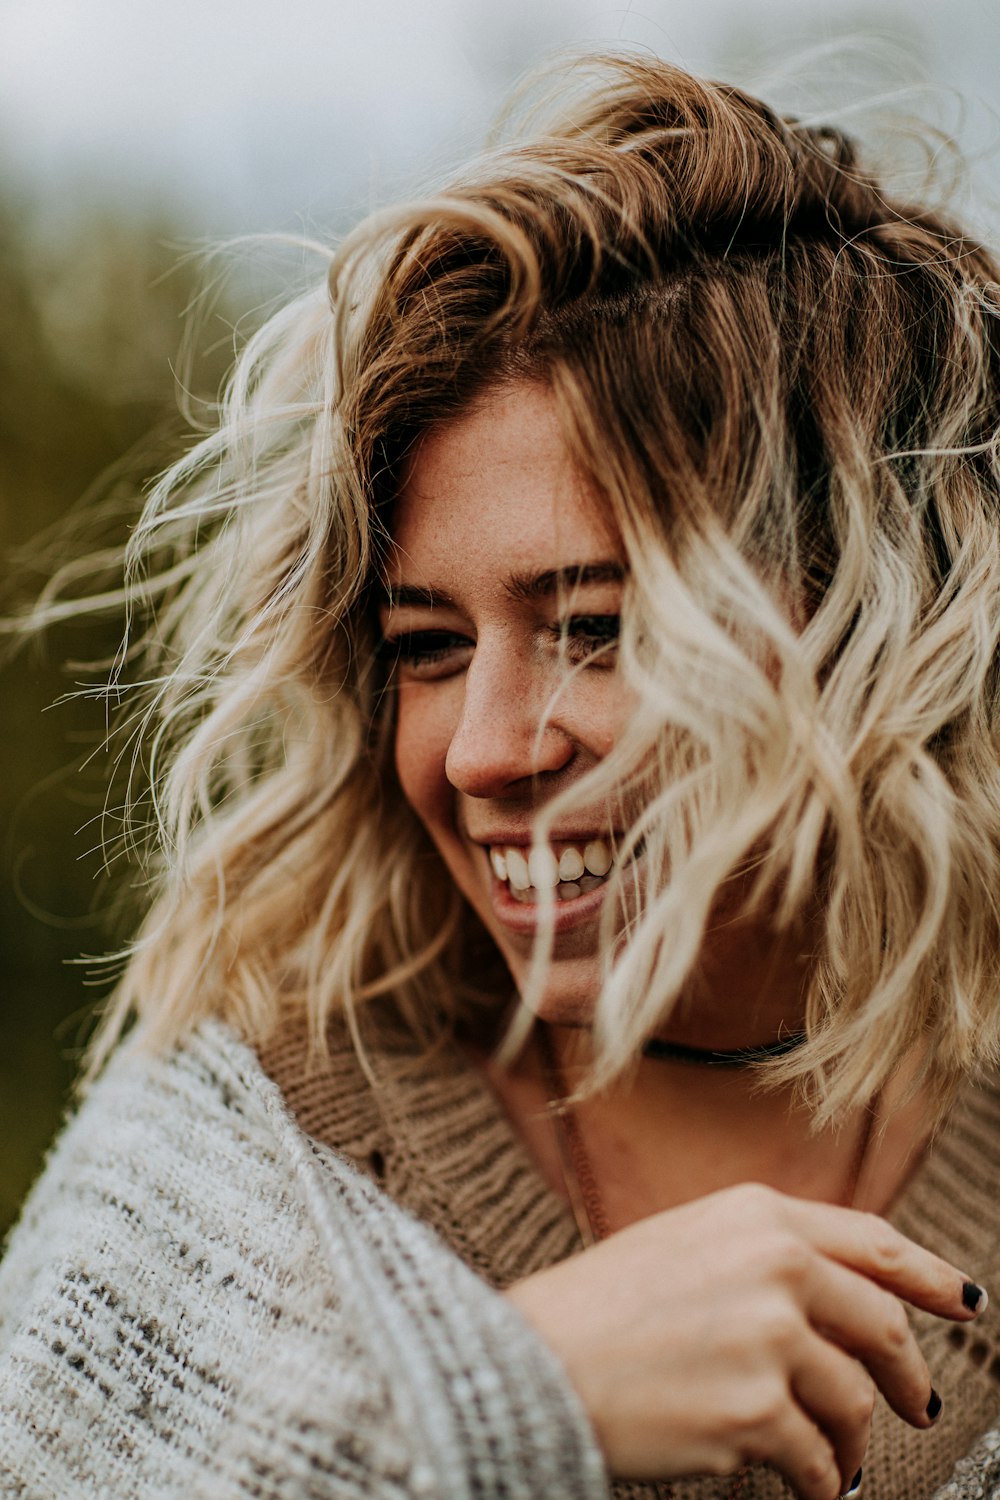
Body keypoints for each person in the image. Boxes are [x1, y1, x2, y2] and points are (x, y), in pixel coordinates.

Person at [1, 52, 999, 1500]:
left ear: (872, 631)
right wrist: (505, 1408)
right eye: (427, 647)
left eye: (594, 631)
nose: (480, 750)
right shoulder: (246, 1161)